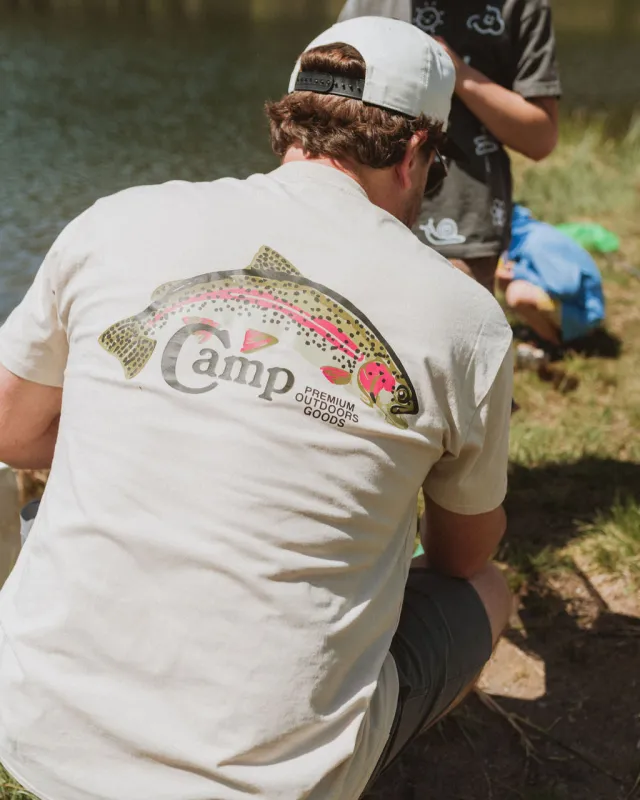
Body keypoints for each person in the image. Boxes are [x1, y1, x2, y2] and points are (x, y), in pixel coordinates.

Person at [0, 17, 513, 800]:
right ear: (417, 155)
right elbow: (462, 559)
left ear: (289, 126)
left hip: (32, 732)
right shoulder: (465, 317)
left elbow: (12, 429)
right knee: (490, 592)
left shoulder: (119, 217)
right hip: (271, 784)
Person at [337, 0, 562, 293]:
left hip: (461, 232)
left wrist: (458, 73)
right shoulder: (367, 5)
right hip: (364, 221)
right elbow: (322, 114)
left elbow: (540, 138)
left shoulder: (520, 7)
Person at [497, 204, 606, 349]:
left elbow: (565, 287)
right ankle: (549, 330)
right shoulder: (527, 235)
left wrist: (519, 272)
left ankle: (553, 345)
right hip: (575, 305)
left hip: (585, 313)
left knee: (516, 293)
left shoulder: (536, 242)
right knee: (507, 283)